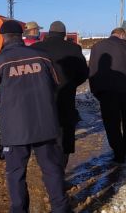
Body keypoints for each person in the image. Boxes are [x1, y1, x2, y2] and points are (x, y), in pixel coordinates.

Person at [0, 20, 71, 213]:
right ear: (21, 35)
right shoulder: (43, 57)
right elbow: (56, 83)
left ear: (4, 37)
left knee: (16, 173)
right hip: (45, 123)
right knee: (52, 169)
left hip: (15, 127)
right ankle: (61, 208)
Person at [32, 20, 90, 166]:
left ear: (49, 33)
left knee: (43, 135)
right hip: (66, 99)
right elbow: (83, 73)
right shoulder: (74, 49)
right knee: (63, 136)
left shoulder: (35, 48)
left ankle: (47, 169)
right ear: (64, 34)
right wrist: (71, 84)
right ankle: (60, 171)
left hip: (40, 99)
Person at [88, 27, 126, 162]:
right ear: (122, 35)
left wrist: (95, 90)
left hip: (106, 92)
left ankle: (118, 152)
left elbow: (92, 69)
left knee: (111, 123)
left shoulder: (96, 46)